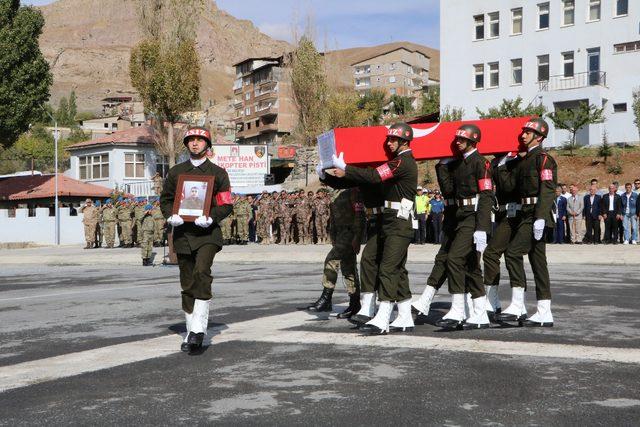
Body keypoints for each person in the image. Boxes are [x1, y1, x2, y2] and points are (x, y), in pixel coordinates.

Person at [331, 122, 418, 334]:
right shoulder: (396, 161)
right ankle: (405, 316)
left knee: (388, 268)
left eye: (393, 139)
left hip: (399, 221)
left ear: (404, 141)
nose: (389, 143)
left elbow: (373, 177)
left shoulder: (402, 162)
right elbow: (368, 179)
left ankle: (383, 316)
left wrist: (347, 168)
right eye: (388, 139)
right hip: (390, 221)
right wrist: (333, 173)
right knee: (396, 268)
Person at [160, 126, 233, 354]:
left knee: (202, 272)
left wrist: (211, 217)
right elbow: (166, 199)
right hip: (182, 234)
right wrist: (170, 215)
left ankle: (199, 330)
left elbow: (226, 204)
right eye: (191, 140)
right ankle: (191, 331)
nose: (195, 144)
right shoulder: (176, 173)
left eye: (200, 141)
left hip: (207, 234)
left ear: (207, 145)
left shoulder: (218, 173)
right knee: (187, 283)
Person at [498, 118, 557, 327]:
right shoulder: (523, 161)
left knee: (513, 252)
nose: (523, 135)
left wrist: (541, 217)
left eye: (528, 133)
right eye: (523, 132)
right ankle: (544, 311)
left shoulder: (544, 160)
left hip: (535, 215)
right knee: (538, 263)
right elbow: (509, 187)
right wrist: (502, 165)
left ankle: (518, 304)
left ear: (538, 137)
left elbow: (548, 189)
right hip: (524, 213)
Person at [433, 124, 493, 330]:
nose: (457, 142)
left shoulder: (481, 163)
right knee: (471, 267)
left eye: (462, 139)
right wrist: (442, 166)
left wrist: (482, 228)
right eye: (457, 138)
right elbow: (449, 191)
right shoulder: (458, 164)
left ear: (473, 141)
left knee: (454, 259)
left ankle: (458, 309)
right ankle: (480, 314)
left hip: (473, 218)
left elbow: (486, 196)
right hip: (458, 217)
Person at [305, 188, 365, 317]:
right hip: (340, 233)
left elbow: (359, 214)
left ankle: (326, 298)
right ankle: (354, 304)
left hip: (350, 232)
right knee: (348, 268)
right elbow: (333, 216)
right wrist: (333, 234)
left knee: (331, 259)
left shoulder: (353, 190)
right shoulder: (335, 191)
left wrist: (357, 236)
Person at [481, 151, 521, 318]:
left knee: (492, 254)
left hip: (514, 215)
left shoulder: (516, 162)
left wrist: (502, 164)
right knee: (511, 257)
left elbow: (508, 186)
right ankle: (498, 302)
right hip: (502, 214)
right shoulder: (496, 163)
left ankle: (494, 300)